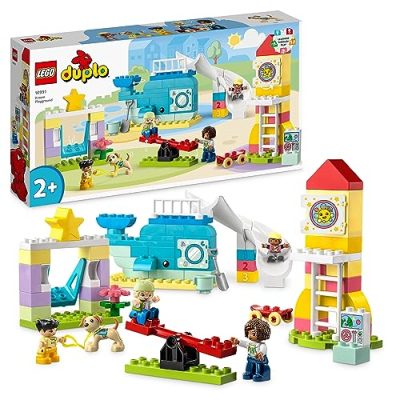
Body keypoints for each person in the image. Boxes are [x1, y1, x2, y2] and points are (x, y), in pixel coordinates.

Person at [231, 317, 271, 382]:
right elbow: (244, 343)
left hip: (259, 359)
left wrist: (261, 353)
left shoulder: (261, 344)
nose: (250, 336)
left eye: (253, 334)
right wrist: (238, 342)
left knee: (258, 365)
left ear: (261, 333)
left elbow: (263, 349)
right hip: (250, 357)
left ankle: (259, 374)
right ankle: (249, 372)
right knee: (249, 364)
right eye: (248, 333)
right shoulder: (249, 343)